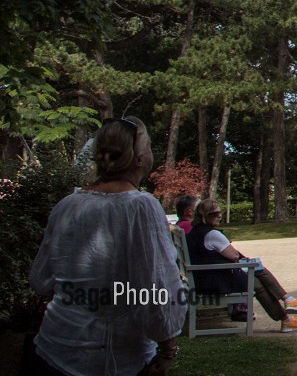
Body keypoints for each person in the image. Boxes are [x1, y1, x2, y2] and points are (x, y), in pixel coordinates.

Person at [28, 116, 184, 376]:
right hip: (114, 358)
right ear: (139, 159)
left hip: (54, 348)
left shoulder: (67, 205)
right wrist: (168, 350)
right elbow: (157, 290)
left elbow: (40, 279)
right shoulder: (140, 207)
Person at [185, 198, 297, 330]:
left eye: (220, 212)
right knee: (257, 275)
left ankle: (287, 310)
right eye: (215, 213)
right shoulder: (212, 234)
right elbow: (233, 255)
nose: (219, 216)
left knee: (257, 276)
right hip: (215, 281)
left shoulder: (195, 232)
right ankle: (288, 307)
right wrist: (243, 260)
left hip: (204, 278)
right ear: (204, 216)